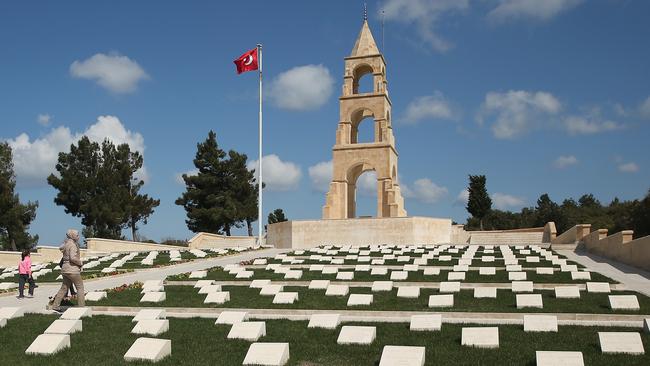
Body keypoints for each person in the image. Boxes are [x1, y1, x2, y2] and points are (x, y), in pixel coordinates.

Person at [51, 229, 85, 311]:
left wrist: (67, 240)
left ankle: (55, 305)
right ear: (73, 236)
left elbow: (60, 247)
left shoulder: (66, 244)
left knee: (64, 288)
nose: (78, 237)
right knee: (80, 287)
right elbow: (72, 258)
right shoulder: (73, 245)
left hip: (65, 269)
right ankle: (81, 307)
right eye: (77, 235)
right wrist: (80, 263)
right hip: (72, 269)